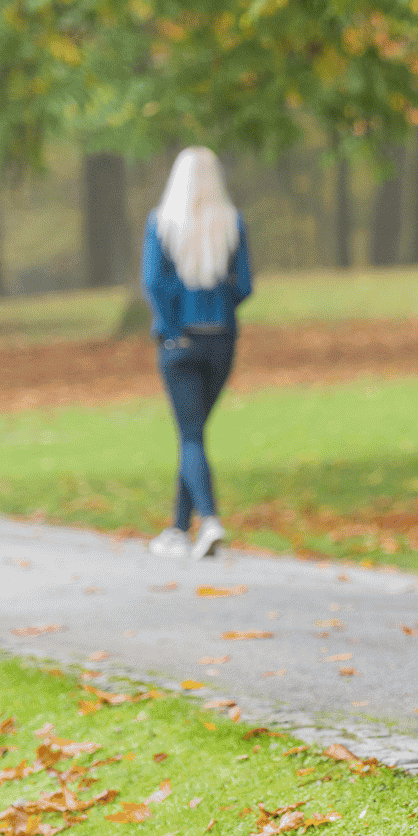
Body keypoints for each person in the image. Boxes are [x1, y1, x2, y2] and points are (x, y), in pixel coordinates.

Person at [141, 146, 253, 561]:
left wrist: (172, 327)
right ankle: (177, 528)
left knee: (190, 434)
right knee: (195, 433)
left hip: (179, 342)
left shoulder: (162, 223)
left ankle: (207, 520)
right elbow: (244, 285)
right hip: (220, 340)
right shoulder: (231, 224)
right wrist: (218, 308)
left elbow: (153, 282)